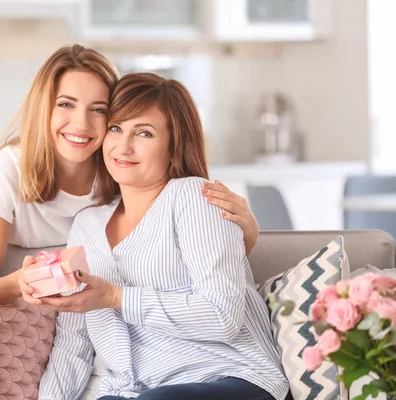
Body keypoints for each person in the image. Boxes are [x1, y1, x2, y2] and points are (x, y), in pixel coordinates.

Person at [26, 73, 289, 400]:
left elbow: (222, 316)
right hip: (133, 391)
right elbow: (73, 344)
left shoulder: (194, 197)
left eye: (144, 133)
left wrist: (116, 298)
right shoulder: (87, 225)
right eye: (116, 128)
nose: (124, 146)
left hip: (227, 377)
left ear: (174, 145)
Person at [0, 44, 260, 305]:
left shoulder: (117, 167)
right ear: (44, 107)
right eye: (66, 104)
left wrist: (249, 232)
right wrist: (19, 282)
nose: (81, 124)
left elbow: (182, 259)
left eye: (98, 110)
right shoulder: (10, 167)